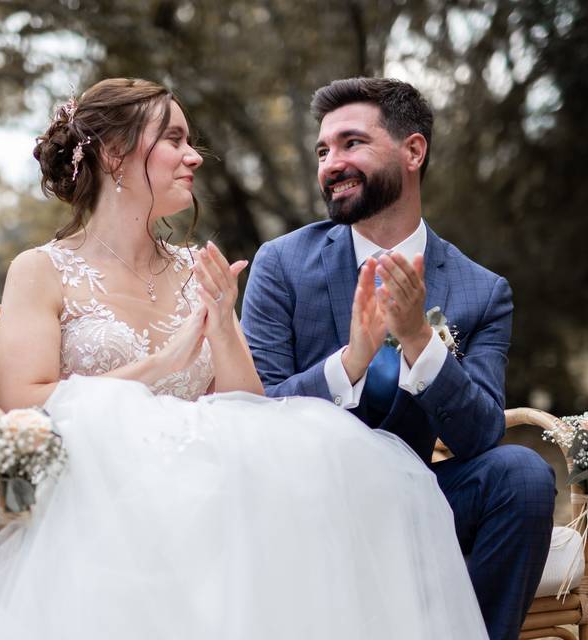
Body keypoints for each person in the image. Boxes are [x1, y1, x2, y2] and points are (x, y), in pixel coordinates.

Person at [0, 78, 486, 639]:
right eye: (173, 139)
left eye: (190, 140)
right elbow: (22, 405)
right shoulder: (42, 270)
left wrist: (222, 324)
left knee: (323, 458)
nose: (194, 155)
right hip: (94, 486)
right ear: (114, 156)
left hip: (203, 472)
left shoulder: (197, 267)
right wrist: (162, 362)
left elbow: (250, 405)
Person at [240, 77, 557, 640]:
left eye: (352, 143)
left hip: (420, 499)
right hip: (304, 502)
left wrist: (419, 342)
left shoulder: (481, 291)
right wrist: (351, 362)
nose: (331, 164)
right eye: (323, 150)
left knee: (524, 475)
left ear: (413, 151)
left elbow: (480, 434)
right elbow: (250, 407)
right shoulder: (281, 264)